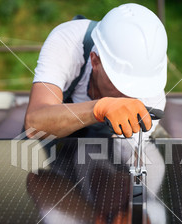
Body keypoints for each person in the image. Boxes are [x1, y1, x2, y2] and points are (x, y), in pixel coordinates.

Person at [24, 3, 168, 139]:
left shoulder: (151, 93)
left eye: (137, 87)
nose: (128, 96)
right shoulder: (68, 44)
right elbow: (34, 125)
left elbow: (127, 154)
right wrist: (99, 108)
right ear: (95, 60)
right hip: (57, 133)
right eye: (119, 83)